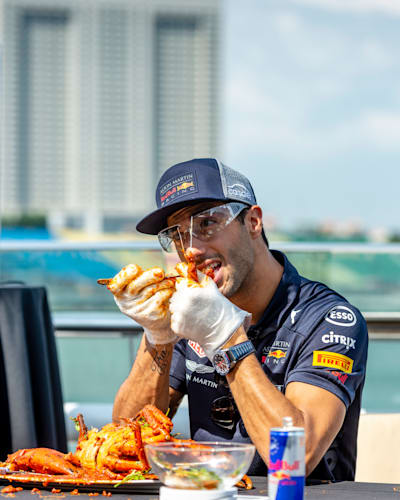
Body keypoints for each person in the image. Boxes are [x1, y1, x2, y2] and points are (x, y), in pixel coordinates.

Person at [110, 158, 368, 481]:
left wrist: (226, 337)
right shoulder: (191, 310)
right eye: (177, 235)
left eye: (206, 224)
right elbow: (124, 441)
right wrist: (157, 336)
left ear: (253, 222)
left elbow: (296, 457)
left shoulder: (330, 320)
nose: (190, 250)